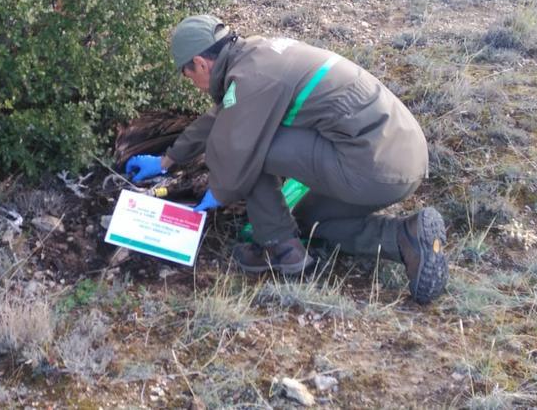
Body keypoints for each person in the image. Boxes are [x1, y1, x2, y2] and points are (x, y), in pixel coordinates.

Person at [125, 15, 448, 304]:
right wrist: (167, 160)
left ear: (201, 63)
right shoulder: (255, 57)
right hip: (403, 159)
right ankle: (406, 238)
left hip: (371, 166)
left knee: (250, 146)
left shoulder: (253, 78)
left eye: (186, 74)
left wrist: (221, 189)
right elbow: (221, 116)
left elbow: (237, 140)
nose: (191, 84)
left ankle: (278, 247)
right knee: (311, 221)